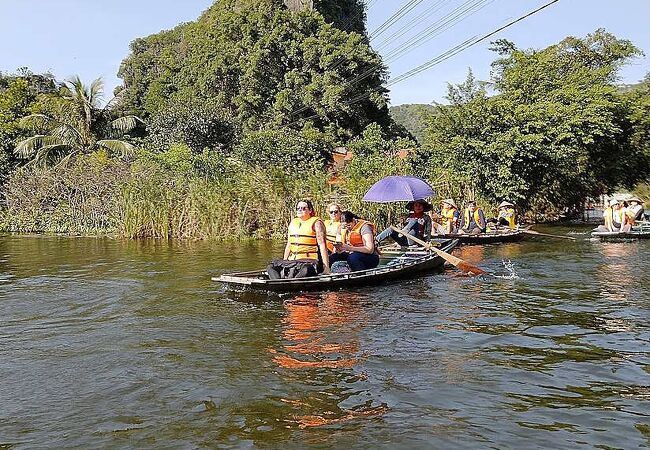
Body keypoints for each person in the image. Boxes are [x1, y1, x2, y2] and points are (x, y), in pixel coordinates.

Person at [267, 199, 330, 279]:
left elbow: (322, 245)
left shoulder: (317, 223)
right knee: (271, 267)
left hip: (309, 261)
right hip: (293, 261)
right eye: (298, 208)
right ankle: (277, 282)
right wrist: (285, 261)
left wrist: (326, 267)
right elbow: (289, 245)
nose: (300, 210)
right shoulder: (293, 223)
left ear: (310, 210)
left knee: (307, 269)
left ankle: (292, 281)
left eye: (303, 208)